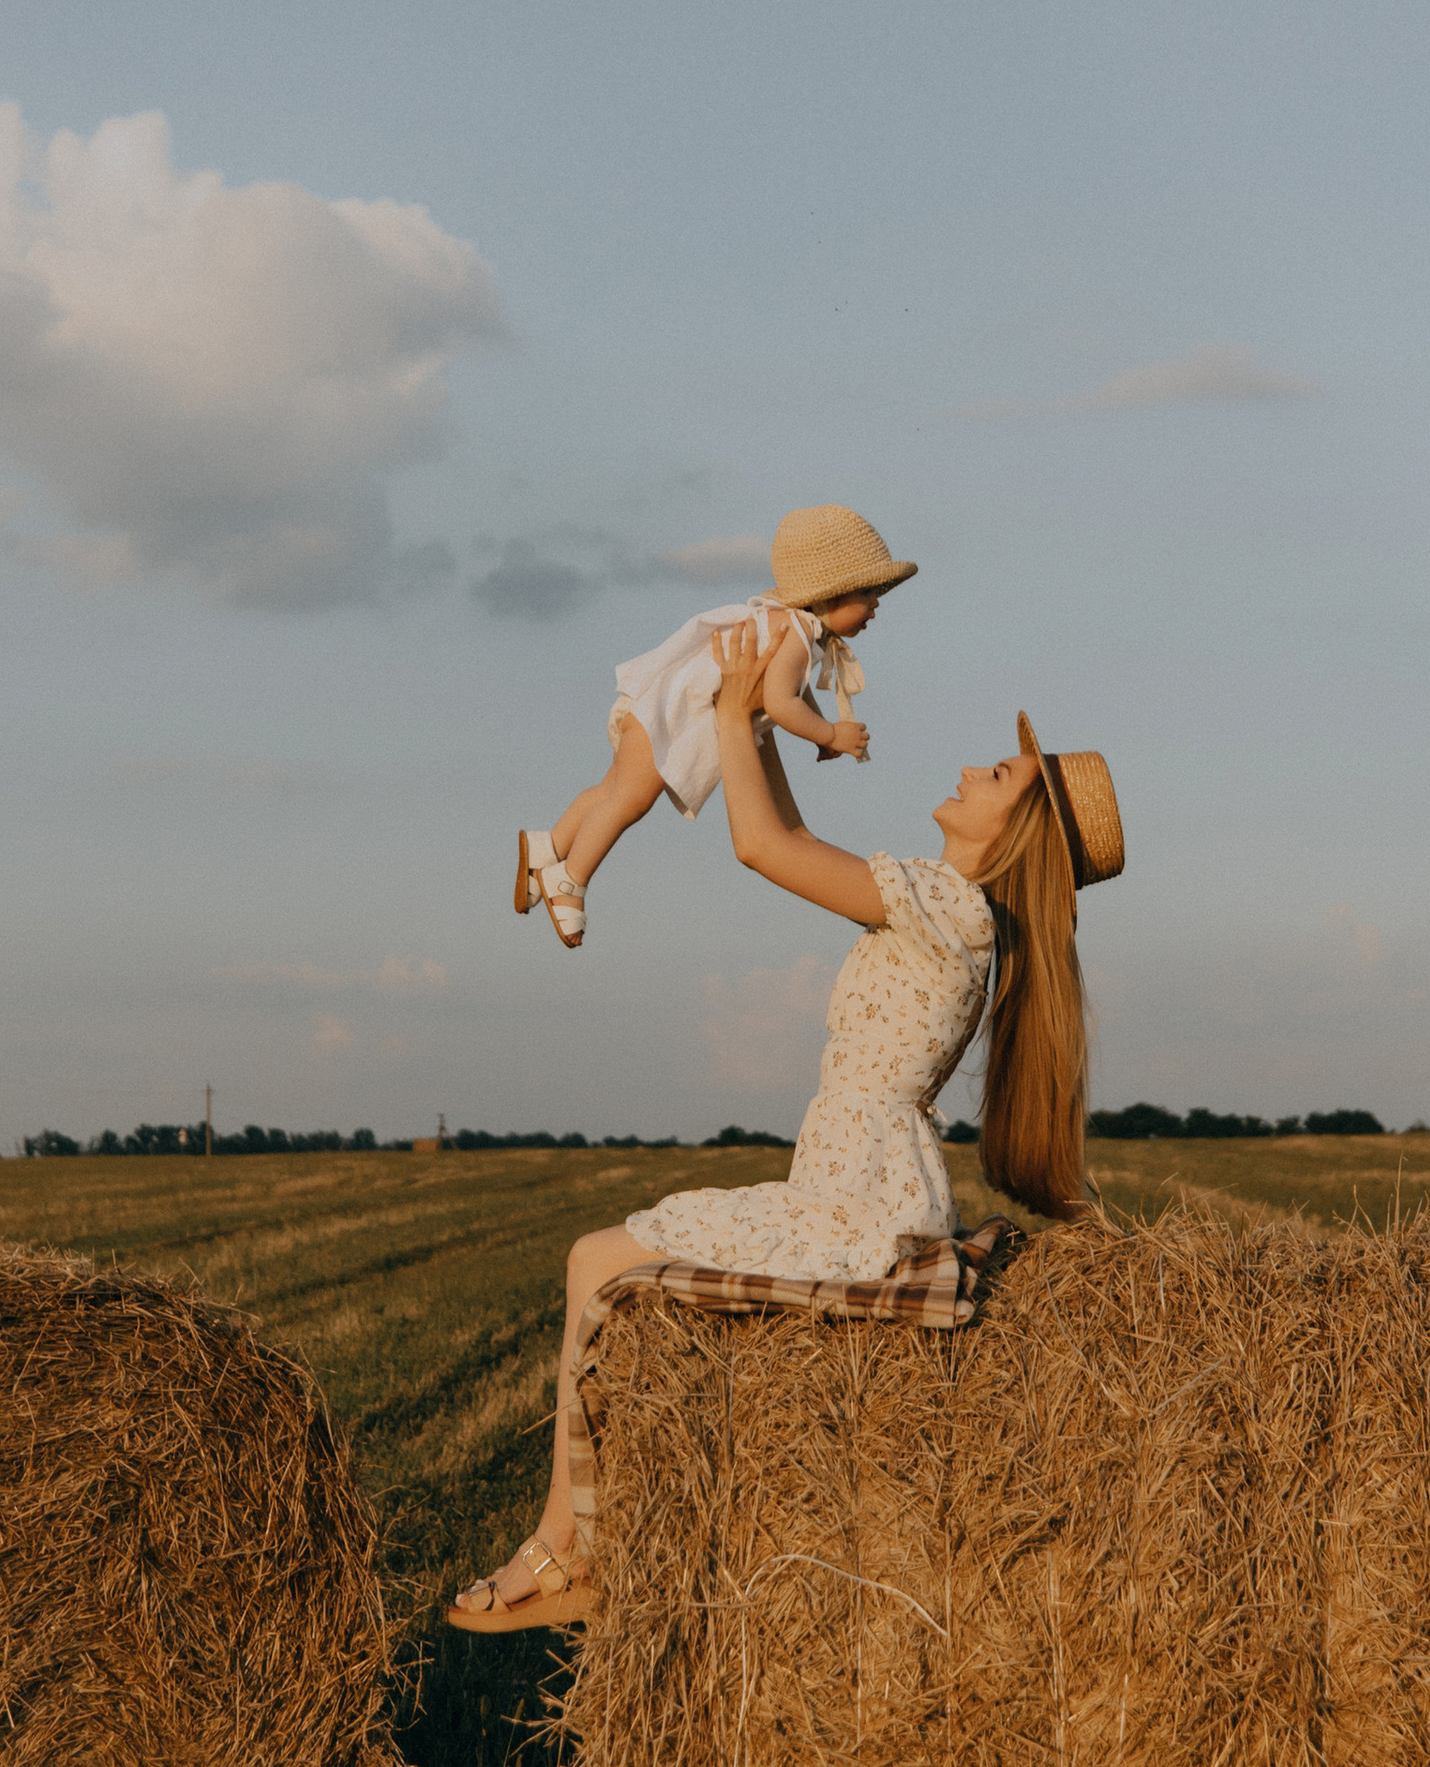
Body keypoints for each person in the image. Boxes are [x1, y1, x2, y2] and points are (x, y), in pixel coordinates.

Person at [451, 621, 1124, 1631]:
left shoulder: (951, 906)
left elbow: (765, 846)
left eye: (993, 773)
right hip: (849, 1181)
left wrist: (732, 713)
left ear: (1018, 828)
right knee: (603, 1260)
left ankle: (565, 1550)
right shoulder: (947, 909)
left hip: (855, 1199)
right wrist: (758, 719)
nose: (965, 769)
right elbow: (796, 839)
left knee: (596, 1263)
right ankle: (572, 1546)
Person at [515, 503, 918, 951]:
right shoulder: (799, 632)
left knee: (610, 790)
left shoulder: (788, 624)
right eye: (869, 593)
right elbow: (780, 703)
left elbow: (791, 691)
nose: (877, 605)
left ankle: (546, 847)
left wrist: (818, 727)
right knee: (628, 800)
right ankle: (570, 879)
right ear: (831, 593)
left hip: (661, 709)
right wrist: (831, 735)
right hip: (674, 720)